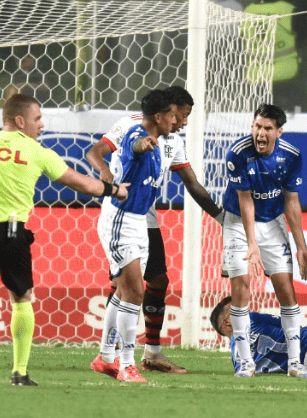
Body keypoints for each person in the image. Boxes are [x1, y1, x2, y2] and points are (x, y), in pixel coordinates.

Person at [0, 94, 129, 386]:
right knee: (22, 299)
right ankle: (20, 372)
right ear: (20, 120)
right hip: (13, 233)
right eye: (38, 118)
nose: (42, 124)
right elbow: (82, 183)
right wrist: (114, 190)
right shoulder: (36, 151)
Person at [85, 85, 222, 374]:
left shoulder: (172, 141)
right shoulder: (131, 127)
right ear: (166, 113)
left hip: (145, 218)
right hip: (123, 214)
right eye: (181, 115)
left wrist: (220, 217)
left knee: (153, 283)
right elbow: (103, 151)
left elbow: (192, 183)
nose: (183, 122)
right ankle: (118, 359)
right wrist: (105, 173)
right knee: (128, 289)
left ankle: (143, 354)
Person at [218, 104, 307, 378]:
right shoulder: (237, 154)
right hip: (239, 222)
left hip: (272, 224)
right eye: (257, 126)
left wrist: (301, 247)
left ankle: (295, 364)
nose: (260, 133)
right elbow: (245, 201)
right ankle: (247, 362)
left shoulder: (291, 156)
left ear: (279, 131)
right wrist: (252, 245)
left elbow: (292, 202)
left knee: (286, 288)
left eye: (267, 128)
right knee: (241, 286)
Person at [90, 89, 178, 383]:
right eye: (173, 114)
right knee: (136, 293)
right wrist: (143, 145)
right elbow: (134, 147)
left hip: (139, 221)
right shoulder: (136, 134)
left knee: (125, 293)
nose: (177, 120)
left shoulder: (165, 142)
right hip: (120, 220)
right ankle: (126, 364)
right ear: (159, 116)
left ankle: (105, 358)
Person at [243, 0, 305, 109]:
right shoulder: (288, 9)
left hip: (256, 75)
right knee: (303, 105)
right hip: (286, 74)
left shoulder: (248, 11)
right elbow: (302, 38)